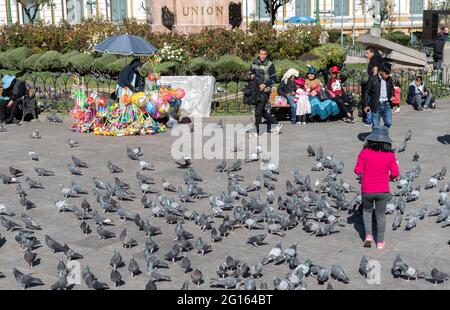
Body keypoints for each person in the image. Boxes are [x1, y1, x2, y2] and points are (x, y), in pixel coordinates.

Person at [354, 126, 399, 249]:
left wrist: (366, 174)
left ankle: (368, 236)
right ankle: (380, 242)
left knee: (367, 212)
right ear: (387, 142)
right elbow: (395, 173)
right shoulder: (390, 155)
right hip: (382, 190)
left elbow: (357, 170)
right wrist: (389, 176)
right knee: (380, 215)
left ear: (370, 140)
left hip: (367, 190)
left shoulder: (364, 153)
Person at [249, 47, 282, 138]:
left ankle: (256, 131)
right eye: (261, 54)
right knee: (262, 111)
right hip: (256, 91)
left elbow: (274, 79)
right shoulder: (254, 63)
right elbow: (250, 73)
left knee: (258, 111)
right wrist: (251, 76)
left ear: (266, 55)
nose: (263, 56)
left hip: (265, 91)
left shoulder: (270, 65)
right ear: (258, 54)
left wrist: (265, 84)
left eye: (265, 54)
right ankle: (276, 124)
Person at [364, 62, 394, 128]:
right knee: (376, 125)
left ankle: (383, 134)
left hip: (386, 104)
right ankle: (376, 137)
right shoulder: (373, 79)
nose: (387, 75)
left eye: (388, 74)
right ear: (381, 71)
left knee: (389, 122)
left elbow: (392, 89)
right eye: (386, 73)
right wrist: (366, 105)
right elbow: (366, 92)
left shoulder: (389, 79)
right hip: (376, 104)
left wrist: (392, 95)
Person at [362, 46, 384, 126]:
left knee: (370, 101)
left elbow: (375, 72)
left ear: (372, 53)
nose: (366, 54)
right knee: (373, 101)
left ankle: (369, 120)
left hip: (373, 83)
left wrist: (372, 83)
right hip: (375, 83)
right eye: (365, 53)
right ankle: (372, 119)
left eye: (367, 53)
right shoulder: (375, 59)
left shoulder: (373, 60)